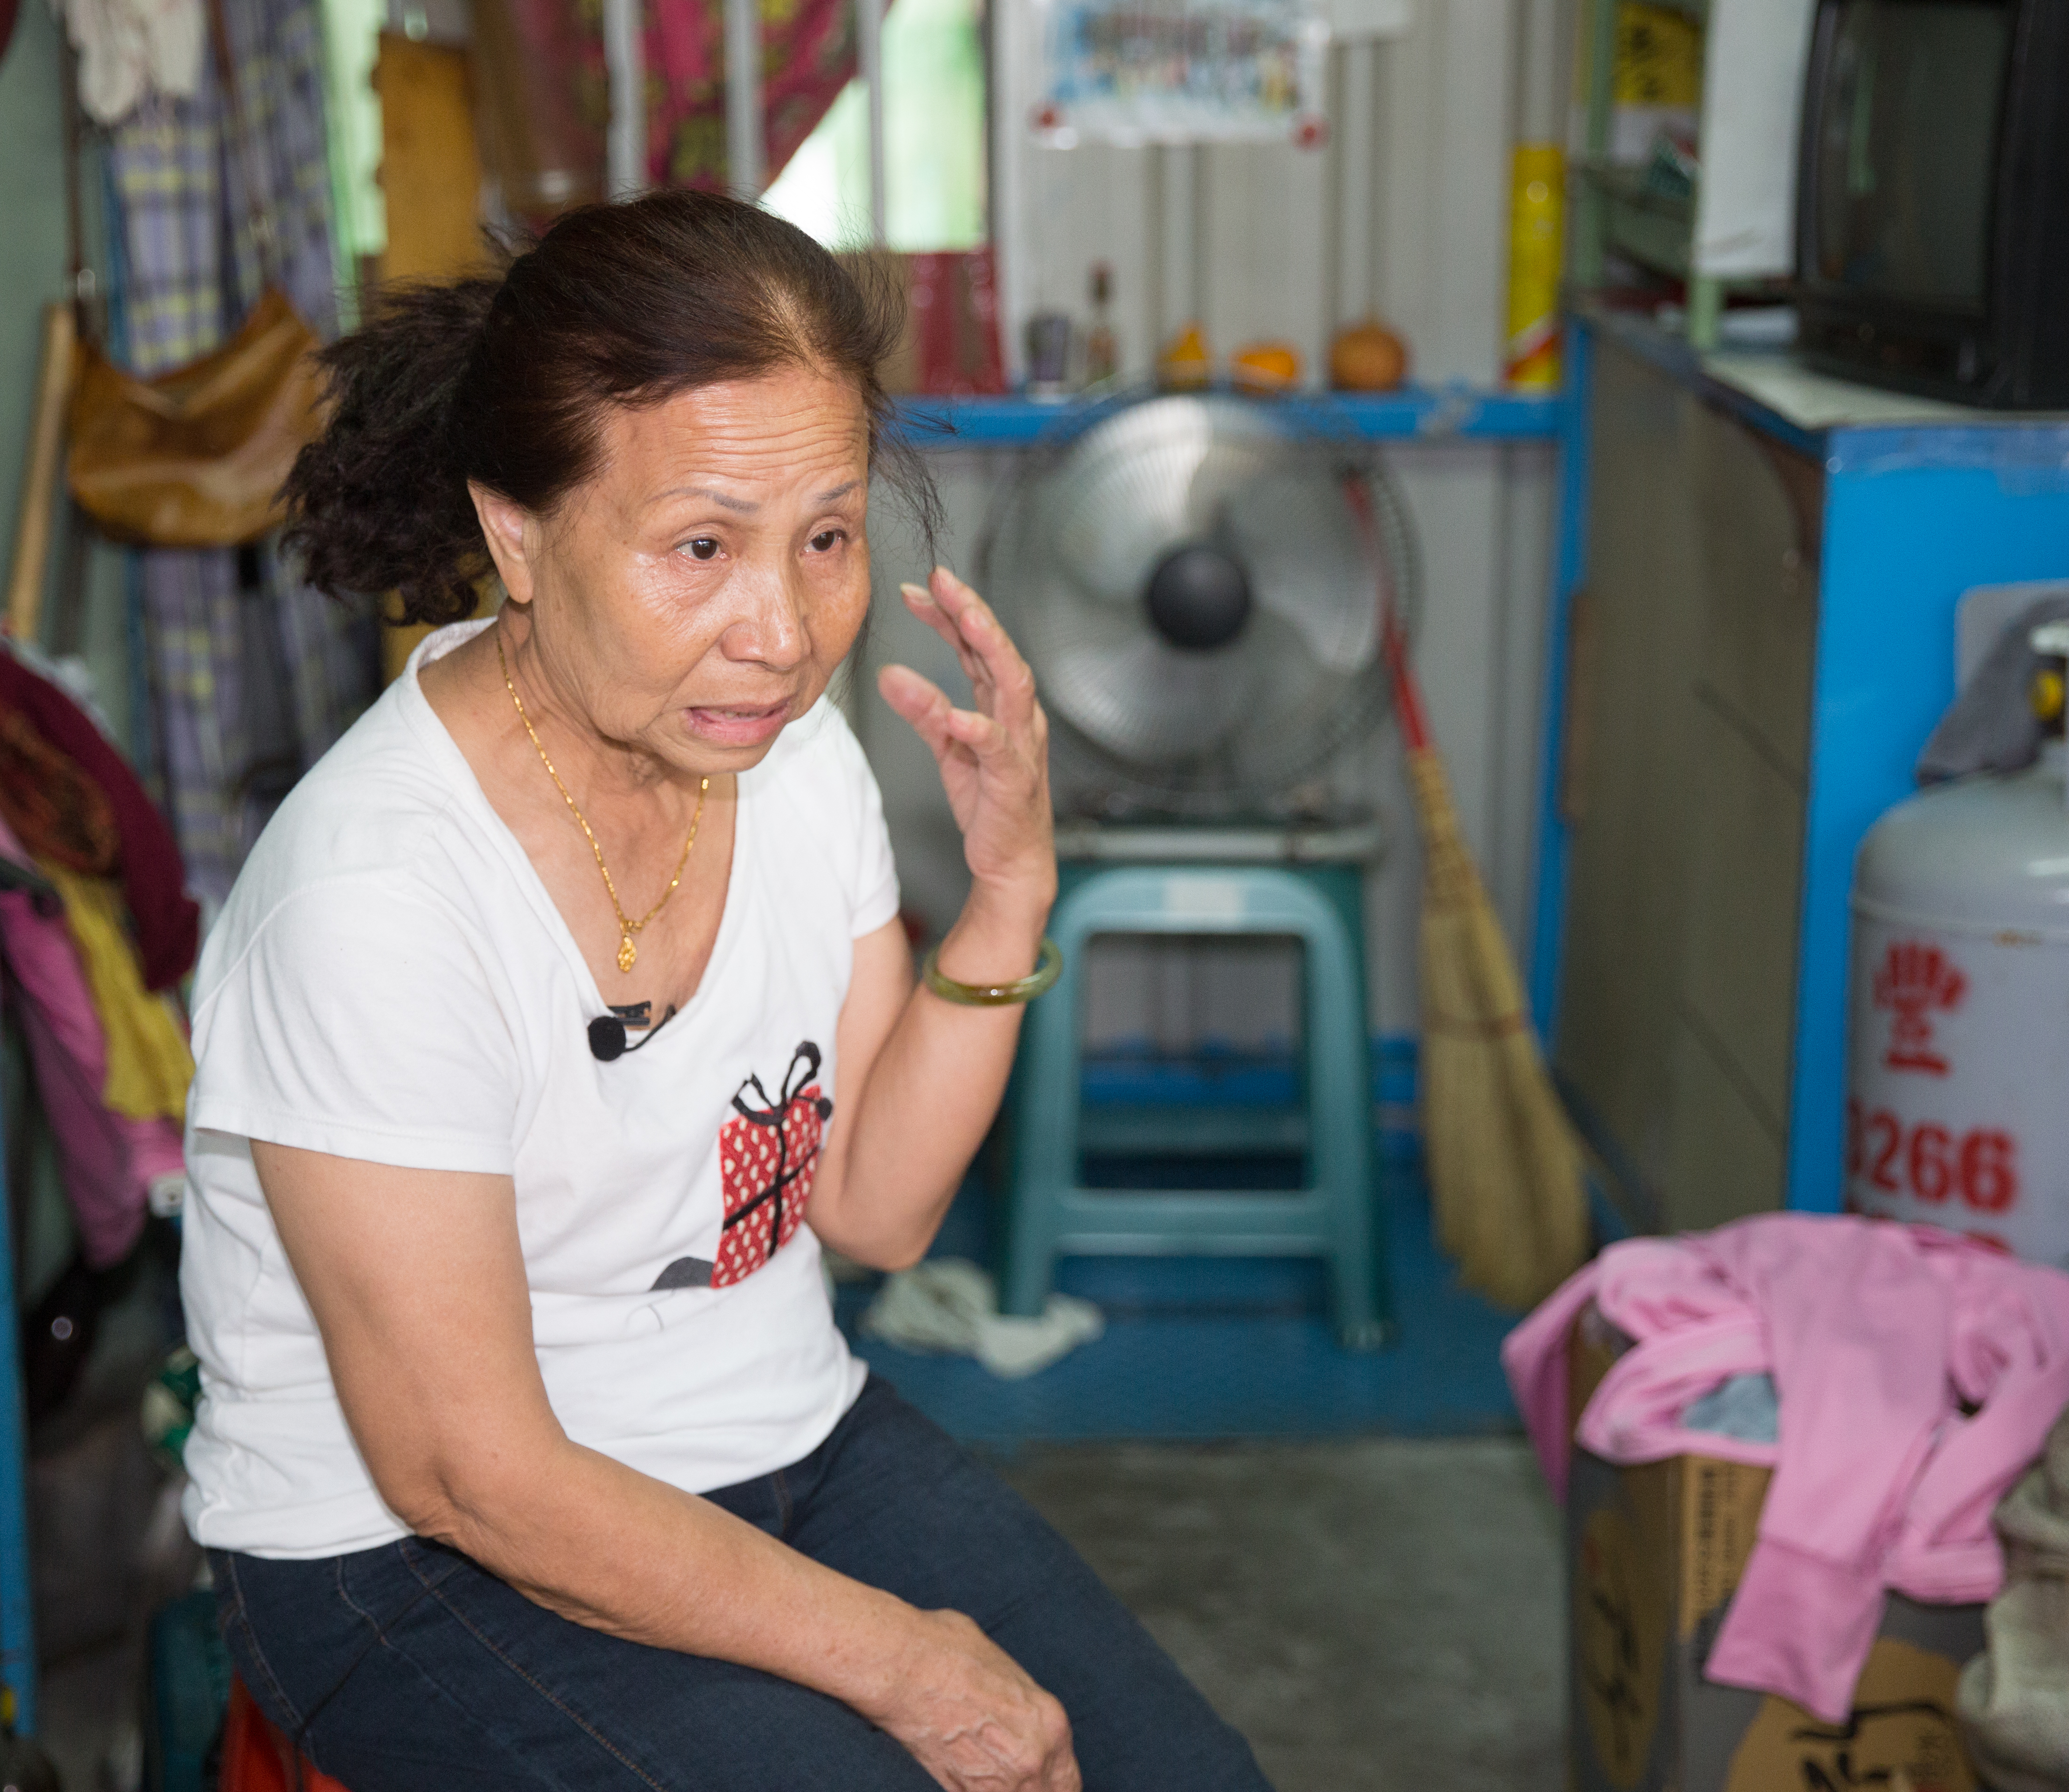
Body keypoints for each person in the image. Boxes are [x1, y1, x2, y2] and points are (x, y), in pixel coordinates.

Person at [178, 190, 1273, 1792]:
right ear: (519, 534)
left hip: (779, 1440)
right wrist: (905, 1660)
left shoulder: (793, 761)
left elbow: (877, 1211)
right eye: (701, 546)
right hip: (405, 1556)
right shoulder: (375, 900)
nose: (781, 633)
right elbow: (470, 1474)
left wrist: (1010, 897)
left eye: (825, 540)